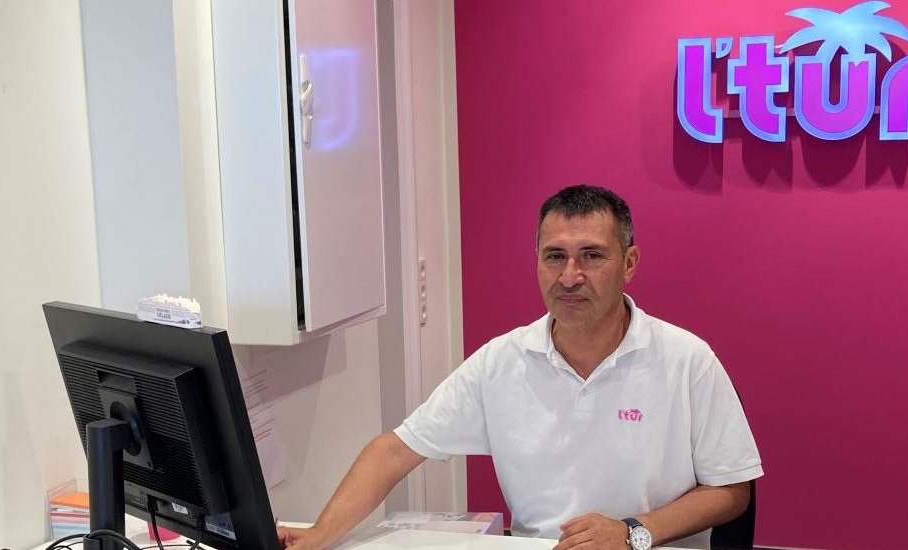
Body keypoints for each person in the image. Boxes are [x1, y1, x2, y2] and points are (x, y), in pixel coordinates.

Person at [278, 185, 762, 549]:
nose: (569, 277)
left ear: (629, 263)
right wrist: (319, 535)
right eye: (555, 257)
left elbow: (731, 490)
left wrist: (632, 532)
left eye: (591, 256)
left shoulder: (687, 359)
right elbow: (394, 451)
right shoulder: (502, 361)